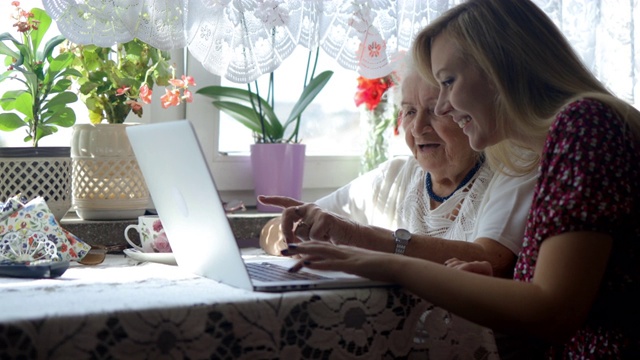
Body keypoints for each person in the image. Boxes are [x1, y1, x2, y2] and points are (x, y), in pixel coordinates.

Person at [273, 0, 640, 358]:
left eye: (448, 82)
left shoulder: (583, 125)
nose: (444, 105)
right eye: (413, 109)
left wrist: (382, 262)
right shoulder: (568, 135)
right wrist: (485, 285)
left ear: (501, 71)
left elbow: (554, 313)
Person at [260, 57, 538, 278]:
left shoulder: (512, 168)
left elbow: (492, 260)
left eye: (436, 111)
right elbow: (273, 231)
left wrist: (356, 236)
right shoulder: (393, 176)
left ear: (468, 113)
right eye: (410, 111)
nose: (417, 128)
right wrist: (292, 236)